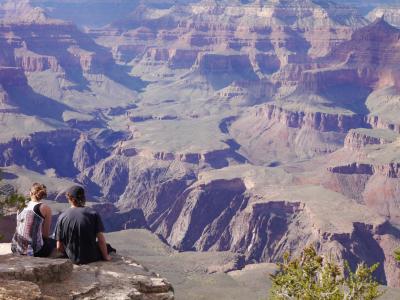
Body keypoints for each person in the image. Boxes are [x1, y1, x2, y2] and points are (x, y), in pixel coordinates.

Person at [55, 185, 115, 264]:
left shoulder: (62, 217)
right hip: (91, 257)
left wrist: (70, 254)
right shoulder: (93, 214)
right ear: (83, 198)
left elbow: (59, 246)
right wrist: (106, 256)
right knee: (109, 247)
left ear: (70, 199)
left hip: (72, 257)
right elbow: (100, 239)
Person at [11, 183, 56, 257]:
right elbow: (45, 234)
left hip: (16, 248)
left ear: (31, 193)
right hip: (35, 251)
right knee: (53, 243)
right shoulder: (45, 208)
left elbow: (19, 227)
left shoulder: (21, 206)